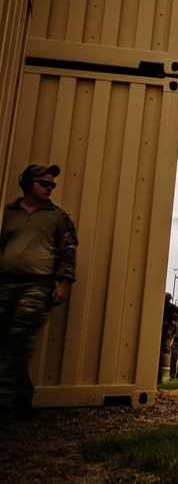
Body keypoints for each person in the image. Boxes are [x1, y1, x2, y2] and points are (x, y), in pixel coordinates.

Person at [0, 164, 78, 416]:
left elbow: (68, 252)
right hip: (5, 283)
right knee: (6, 342)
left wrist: (63, 283)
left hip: (37, 285)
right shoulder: (8, 212)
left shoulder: (58, 217)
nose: (50, 188)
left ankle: (5, 401)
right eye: (44, 183)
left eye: (52, 185)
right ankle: (21, 400)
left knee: (18, 341)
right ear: (27, 184)